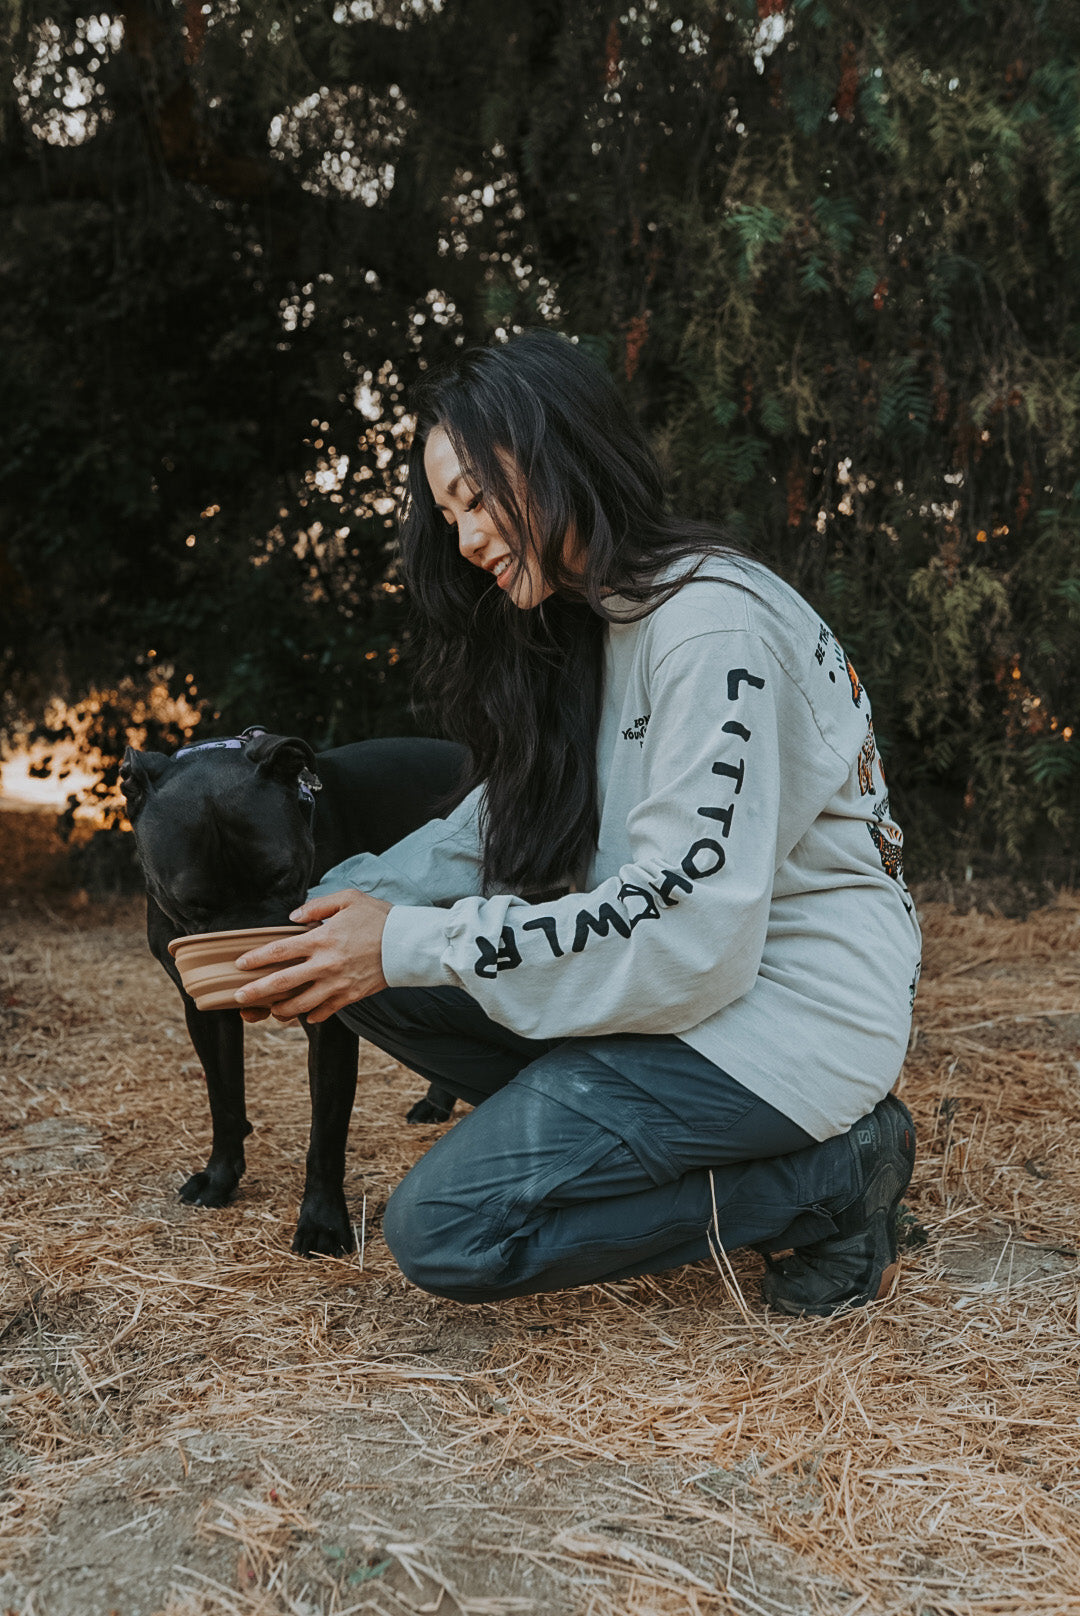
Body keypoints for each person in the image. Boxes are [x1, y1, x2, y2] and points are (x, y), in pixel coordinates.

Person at [234, 329, 921, 1316]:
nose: (466, 539)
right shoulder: (601, 617)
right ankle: (616, 1120)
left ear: (554, 447)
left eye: (476, 497)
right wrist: (337, 921)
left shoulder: (708, 627)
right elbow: (495, 822)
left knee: (448, 1229)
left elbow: (691, 935)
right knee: (361, 977)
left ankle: (831, 1179)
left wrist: (414, 939)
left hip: (787, 1012)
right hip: (693, 992)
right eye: (448, 512)